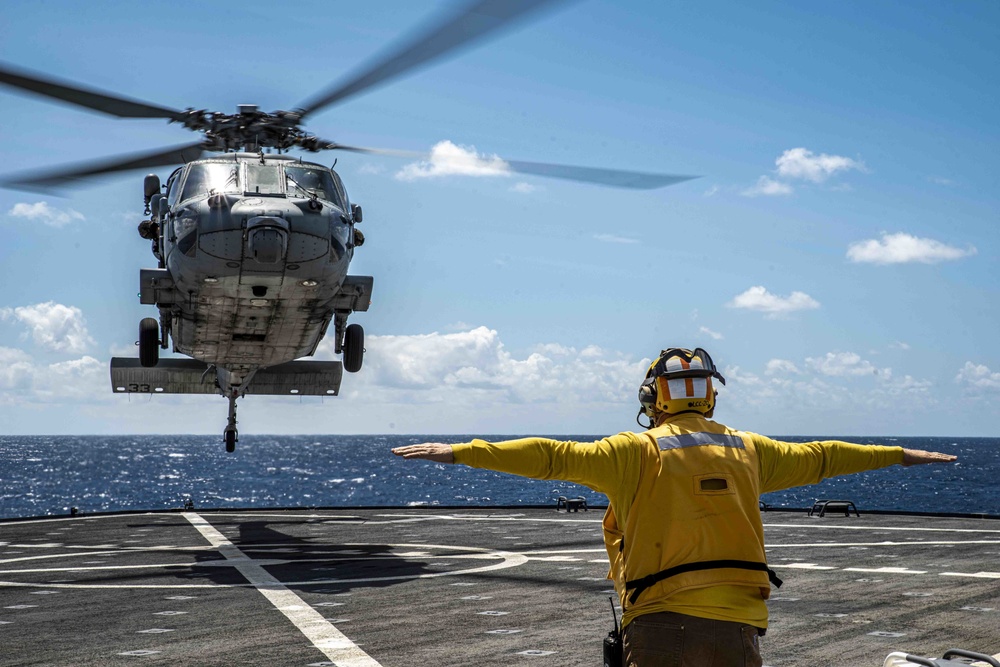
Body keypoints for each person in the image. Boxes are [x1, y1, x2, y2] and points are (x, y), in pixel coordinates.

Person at [391, 347, 957, 667]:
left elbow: (551, 456)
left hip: (661, 623)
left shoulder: (632, 451)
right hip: (738, 627)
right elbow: (825, 457)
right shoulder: (750, 450)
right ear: (710, 394)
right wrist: (901, 455)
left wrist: (461, 451)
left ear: (650, 398)